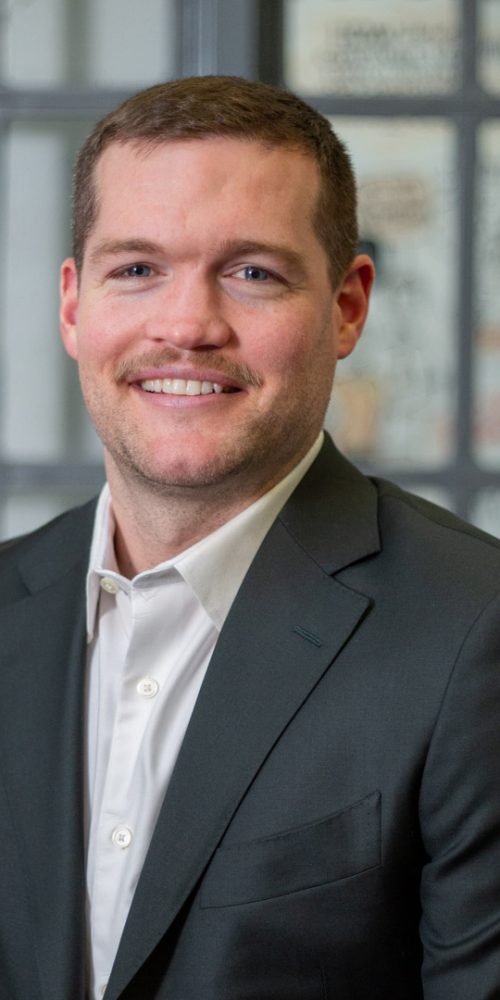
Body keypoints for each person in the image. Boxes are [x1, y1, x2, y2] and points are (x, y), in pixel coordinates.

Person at [1, 75, 500, 1000]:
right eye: (137, 269)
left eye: (253, 273)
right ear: (73, 306)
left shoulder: (476, 632)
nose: (188, 325)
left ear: (347, 307)